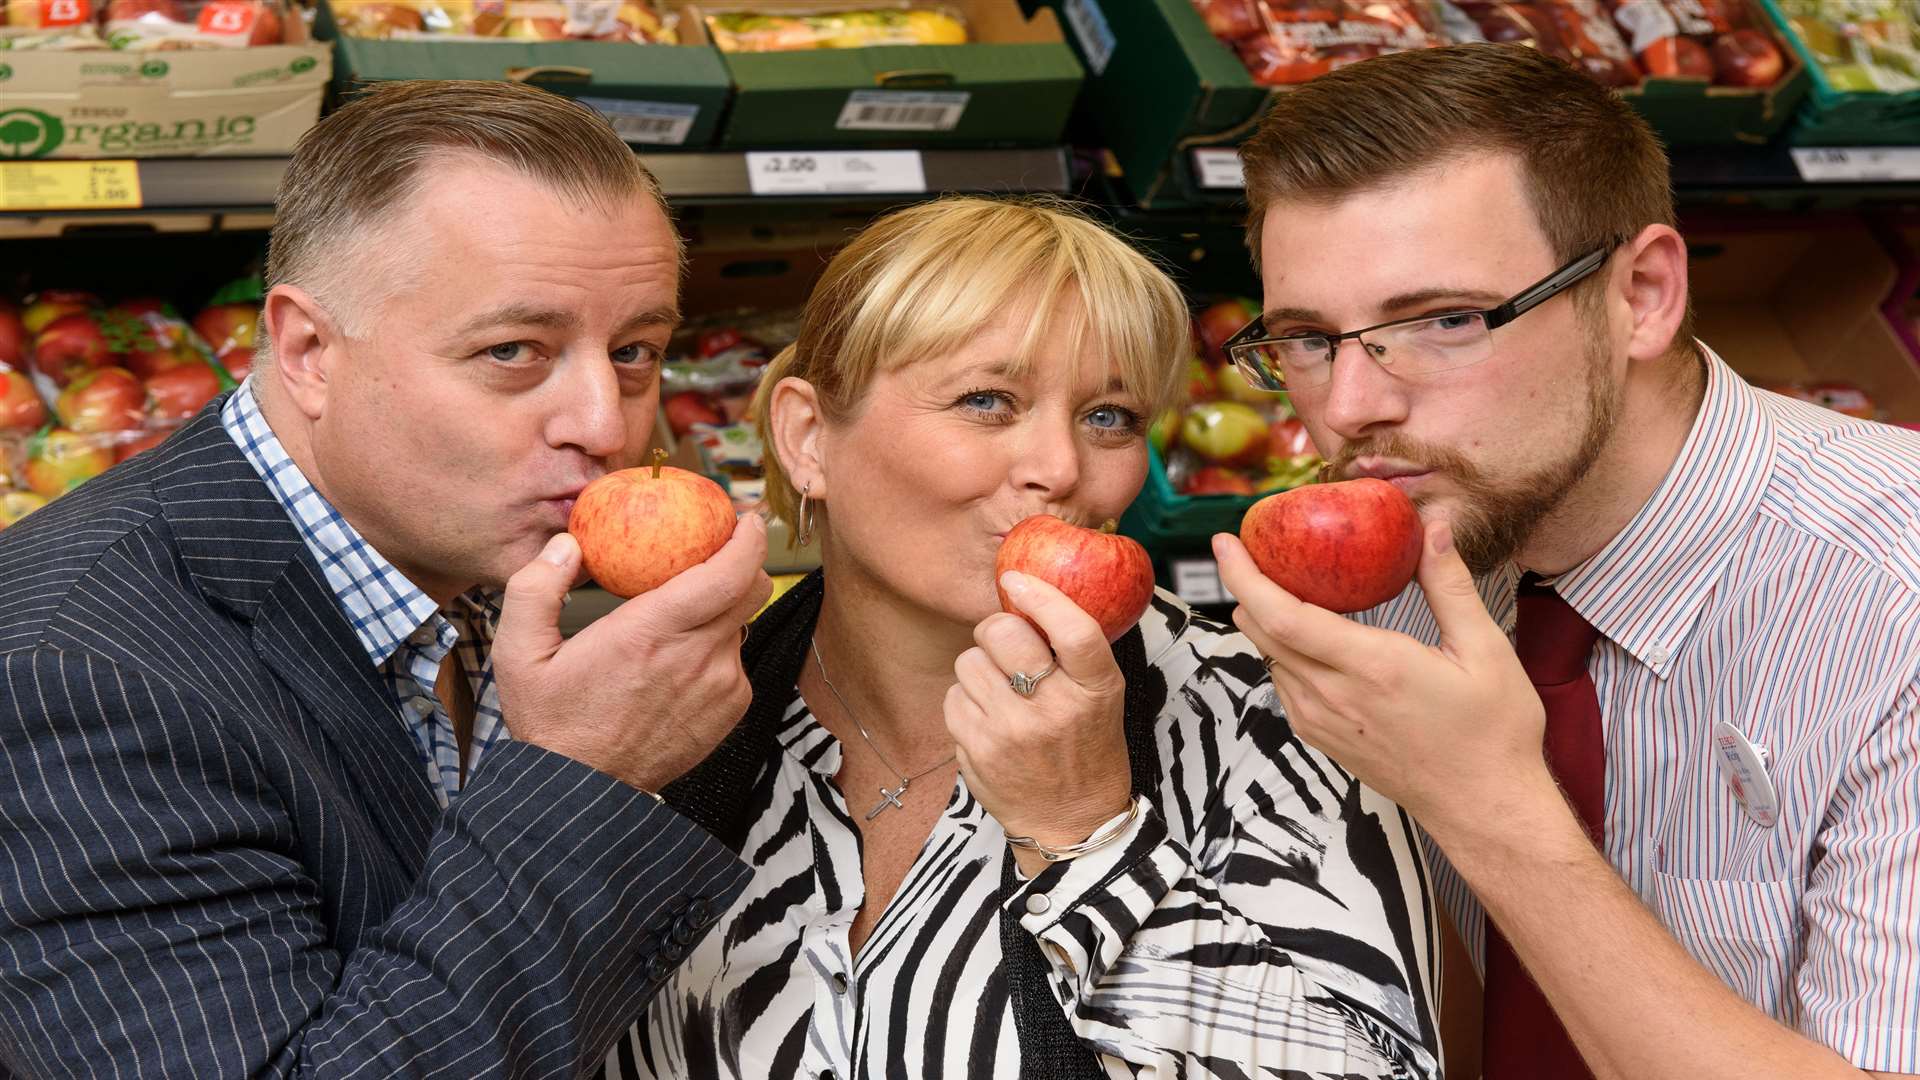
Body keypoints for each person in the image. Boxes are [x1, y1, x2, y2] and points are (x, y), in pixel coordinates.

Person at [0, 80, 772, 1077]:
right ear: (310, 352)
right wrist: (588, 781)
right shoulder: (79, 676)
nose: (607, 424)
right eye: (513, 352)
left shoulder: (463, 554)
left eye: (633, 352)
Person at [610, 195, 1443, 1080]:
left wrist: (1087, 838)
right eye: (987, 401)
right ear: (809, 437)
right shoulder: (661, 727)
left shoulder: (1271, 723)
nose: (1061, 468)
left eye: (1109, 417)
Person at [1211, 42, 1920, 1080]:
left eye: (1445, 320)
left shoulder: (1892, 593)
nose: (1353, 411)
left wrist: (1485, 808)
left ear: (1640, 295)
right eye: (1307, 340)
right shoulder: (1383, 575)